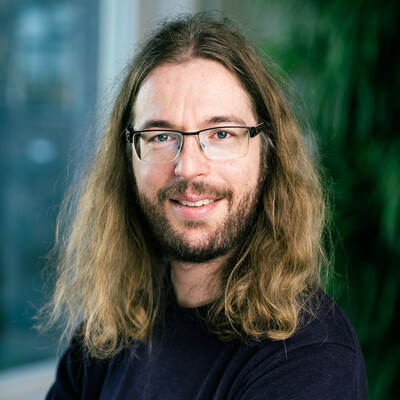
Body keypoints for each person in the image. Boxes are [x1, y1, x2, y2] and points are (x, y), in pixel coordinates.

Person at [44, 12, 368, 399]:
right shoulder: (109, 332)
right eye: (161, 136)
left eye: (221, 134)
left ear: (267, 153)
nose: (188, 168)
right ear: (128, 158)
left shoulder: (309, 358)